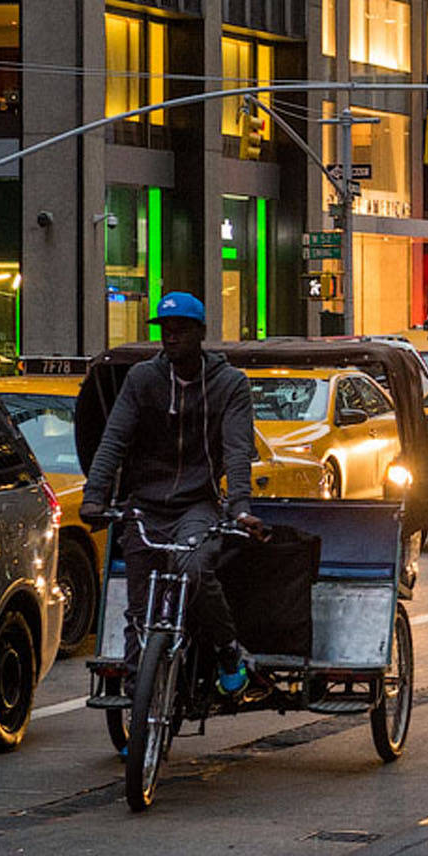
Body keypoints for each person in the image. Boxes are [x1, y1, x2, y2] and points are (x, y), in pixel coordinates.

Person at [80, 293, 260, 697]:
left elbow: (236, 451)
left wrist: (240, 507)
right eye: (165, 329)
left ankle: (227, 650)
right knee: (139, 608)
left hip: (196, 505)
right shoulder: (143, 379)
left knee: (194, 569)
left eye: (181, 329)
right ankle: (134, 701)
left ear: (201, 333)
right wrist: (94, 496)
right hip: (144, 504)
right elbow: (114, 440)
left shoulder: (229, 384)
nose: (172, 336)